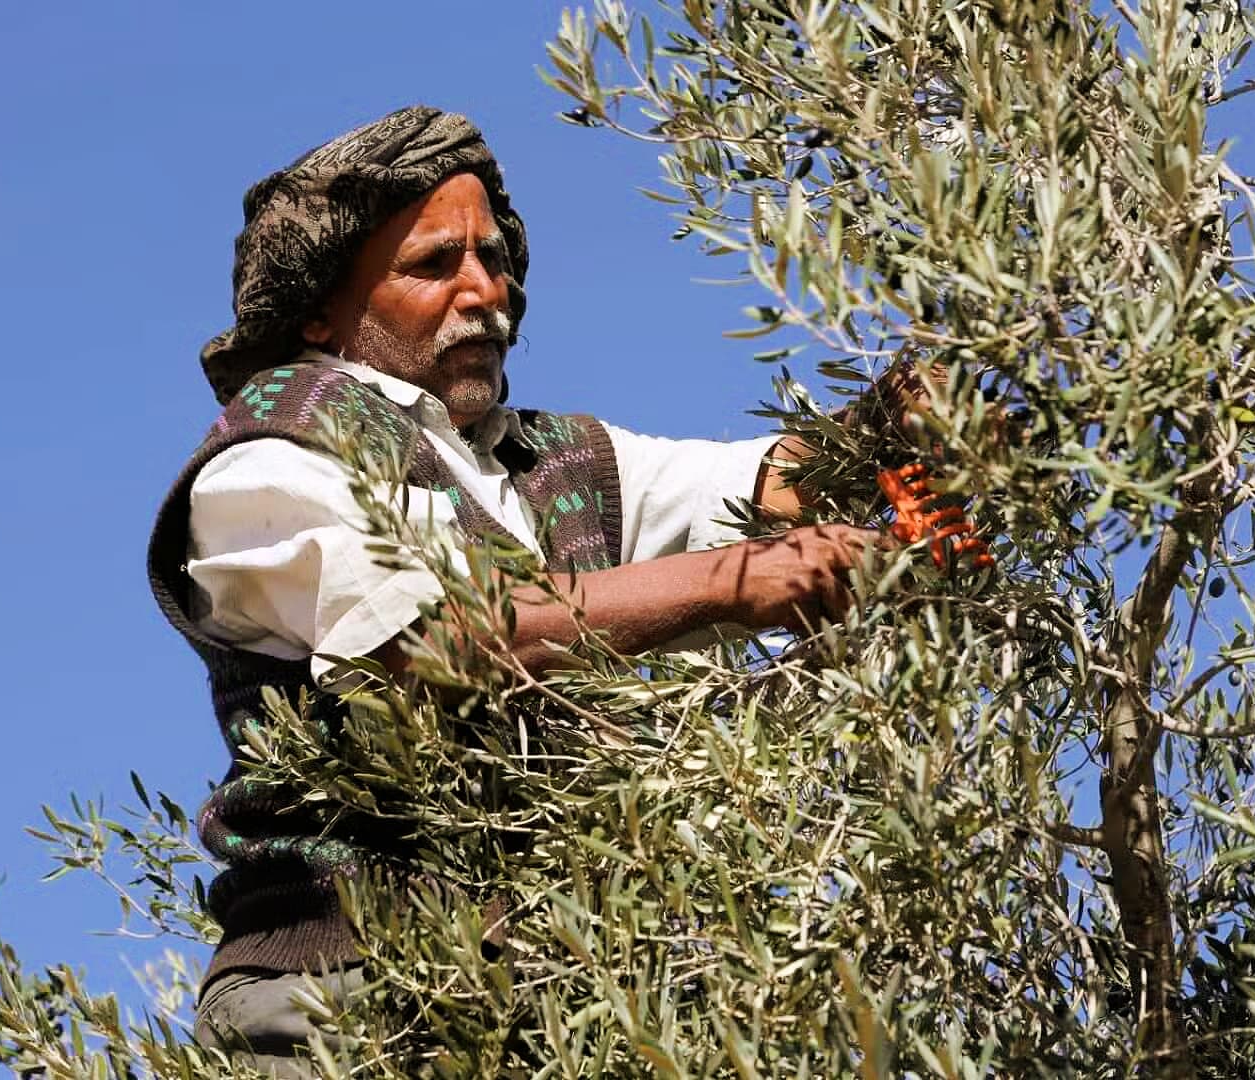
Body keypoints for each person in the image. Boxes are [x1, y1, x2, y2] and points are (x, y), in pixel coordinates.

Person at [146, 105, 905, 1072]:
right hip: (344, 1005)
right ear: (320, 310)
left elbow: (778, 481)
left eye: (494, 260)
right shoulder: (269, 462)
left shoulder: (554, 460)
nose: (484, 292)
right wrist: (736, 583)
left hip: (559, 1005)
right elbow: (438, 645)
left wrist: (912, 419)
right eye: (434, 265)